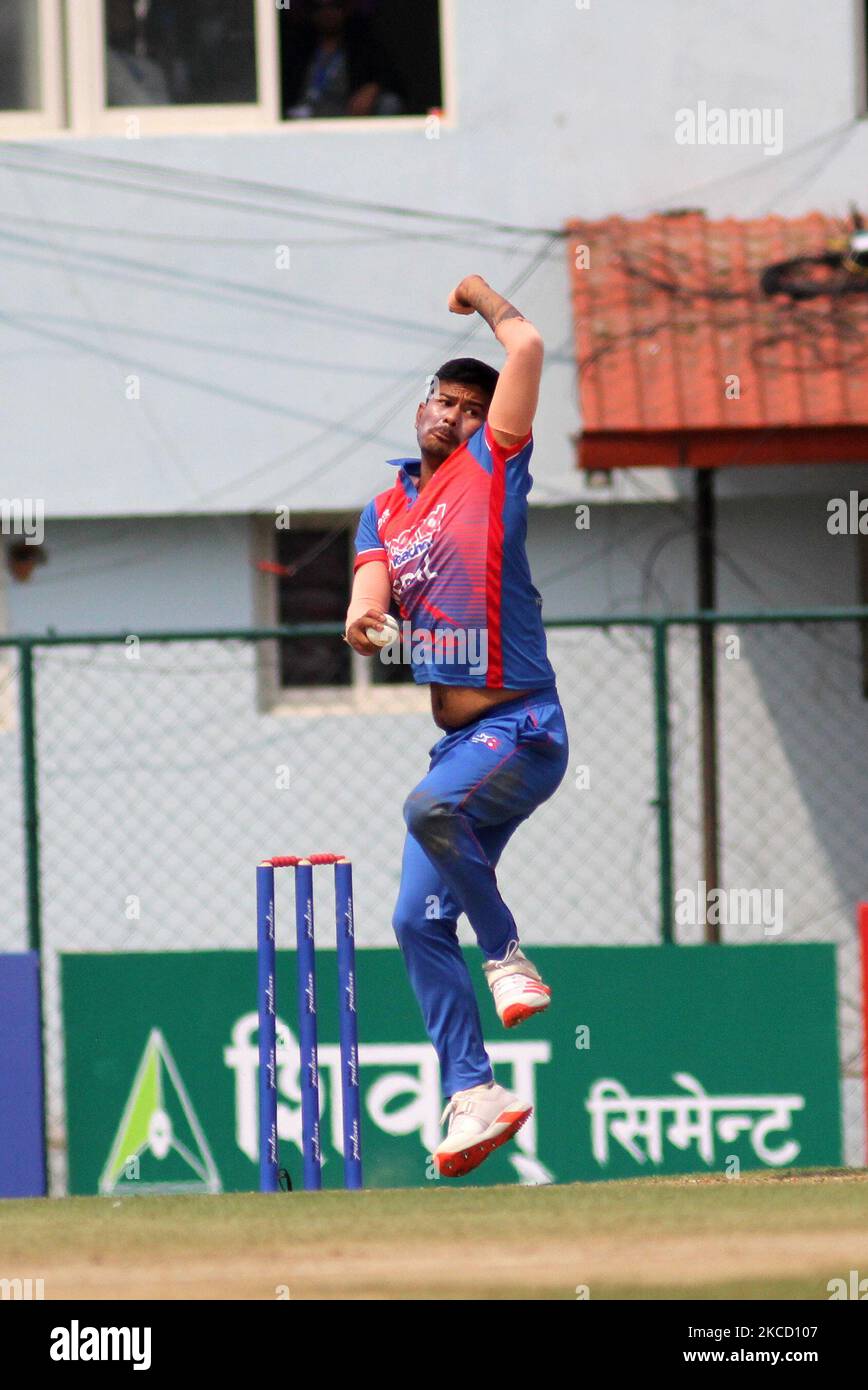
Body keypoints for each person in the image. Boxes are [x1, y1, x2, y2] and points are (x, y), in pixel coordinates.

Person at [345, 277, 569, 1178]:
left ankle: (508, 957)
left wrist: (482, 295)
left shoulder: (492, 469)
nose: (456, 416)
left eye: (474, 409)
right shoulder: (387, 504)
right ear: (421, 405)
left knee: (427, 810)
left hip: (523, 727)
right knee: (412, 920)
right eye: (445, 400)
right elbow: (370, 588)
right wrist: (363, 619)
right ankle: (475, 1091)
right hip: (462, 749)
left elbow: (528, 351)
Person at [282, 0, 403, 120]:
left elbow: (392, 76)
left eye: (334, 6)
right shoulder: (298, 48)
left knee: (389, 103)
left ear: (345, 9)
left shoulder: (361, 45)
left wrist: (373, 87)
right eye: (319, 8)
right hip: (302, 116)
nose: (327, 13)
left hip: (345, 116)